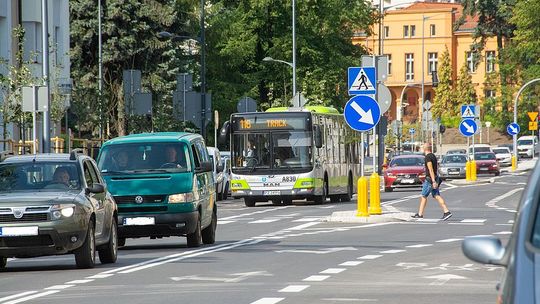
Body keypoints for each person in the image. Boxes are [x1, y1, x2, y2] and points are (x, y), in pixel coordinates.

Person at [412, 142, 452, 220]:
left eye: (422, 147)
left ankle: (420, 214)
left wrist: (433, 181)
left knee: (423, 196)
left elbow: (430, 169)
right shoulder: (433, 156)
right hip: (434, 178)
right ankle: (446, 211)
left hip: (430, 180)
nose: (421, 148)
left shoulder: (427, 157)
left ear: (425, 148)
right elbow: (435, 168)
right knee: (436, 195)